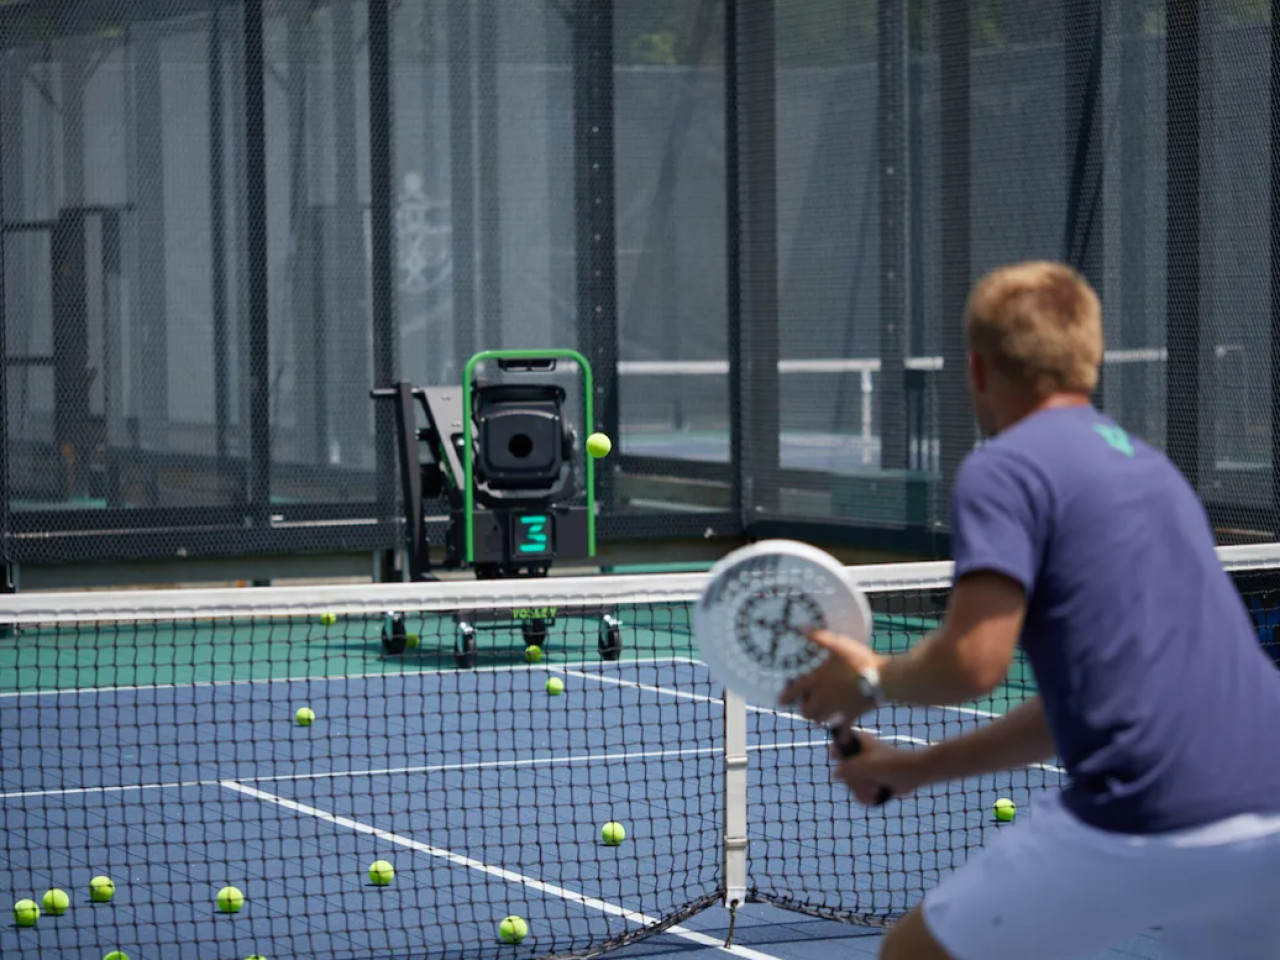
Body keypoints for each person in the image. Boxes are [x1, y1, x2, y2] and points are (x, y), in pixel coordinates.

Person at [781, 261, 1280, 960]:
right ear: (1092, 360)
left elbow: (973, 662)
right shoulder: (1151, 470)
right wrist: (915, 768)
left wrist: (868, 678)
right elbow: (1071, 712)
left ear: (977, 370)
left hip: (1149, 814)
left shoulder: (1004, 468)